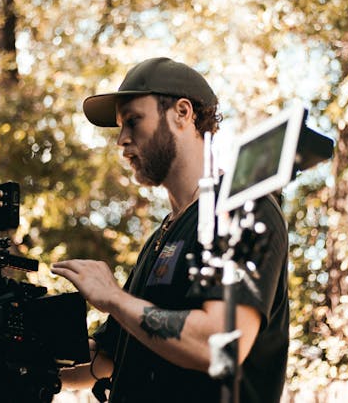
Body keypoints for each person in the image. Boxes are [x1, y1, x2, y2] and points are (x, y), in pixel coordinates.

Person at [52, 57, 289, 403]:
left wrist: (115, 298)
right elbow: (106, 359)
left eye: (133, 121)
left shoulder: (242, 207)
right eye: (121, 127)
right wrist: (21, 368)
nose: (122, 140)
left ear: (182, 113)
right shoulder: (161, 237)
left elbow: (220, 345)